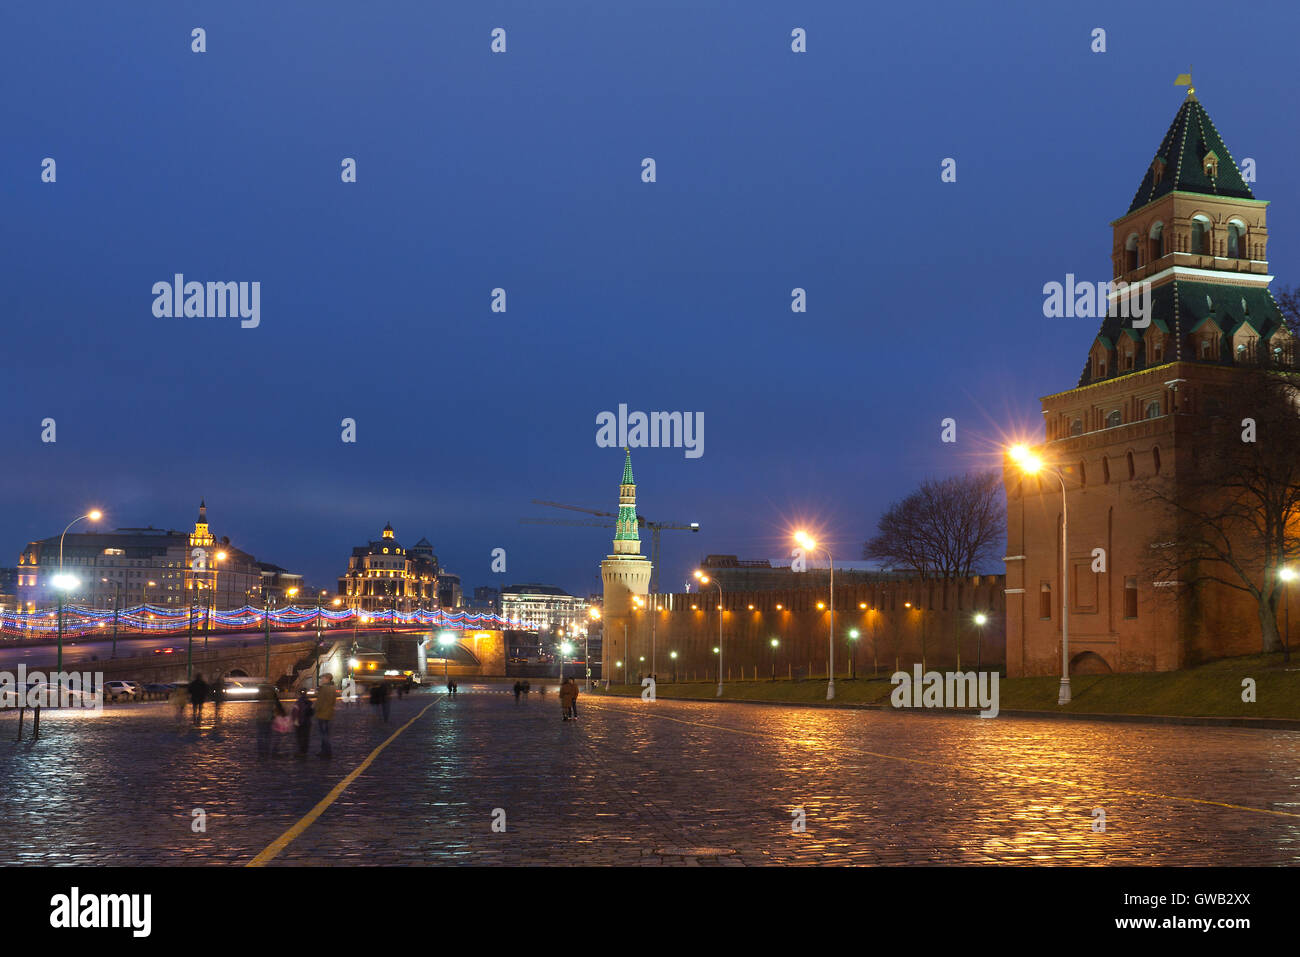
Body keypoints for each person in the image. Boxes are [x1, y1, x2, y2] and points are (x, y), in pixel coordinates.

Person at [315, 674, 338, 758]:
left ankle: (326, 751)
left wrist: (314, 710)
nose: (321, 680)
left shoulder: (324, 688)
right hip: (329, 713)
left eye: (323, 678)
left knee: (323, 734)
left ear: (327, 679)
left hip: (322, 713)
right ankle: (325, 750)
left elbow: (319, 702)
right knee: (326, 733)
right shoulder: (333, 688)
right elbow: (333, 701)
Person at [292, 690, 314, 755]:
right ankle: (305, 750)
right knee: (306, 737)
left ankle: (300, 751)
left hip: (299, 722)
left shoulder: (298, 702)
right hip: (307, 722)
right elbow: (312, 712)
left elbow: (294, 712)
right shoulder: (309, 702)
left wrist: (294, 720)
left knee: (299, 737)